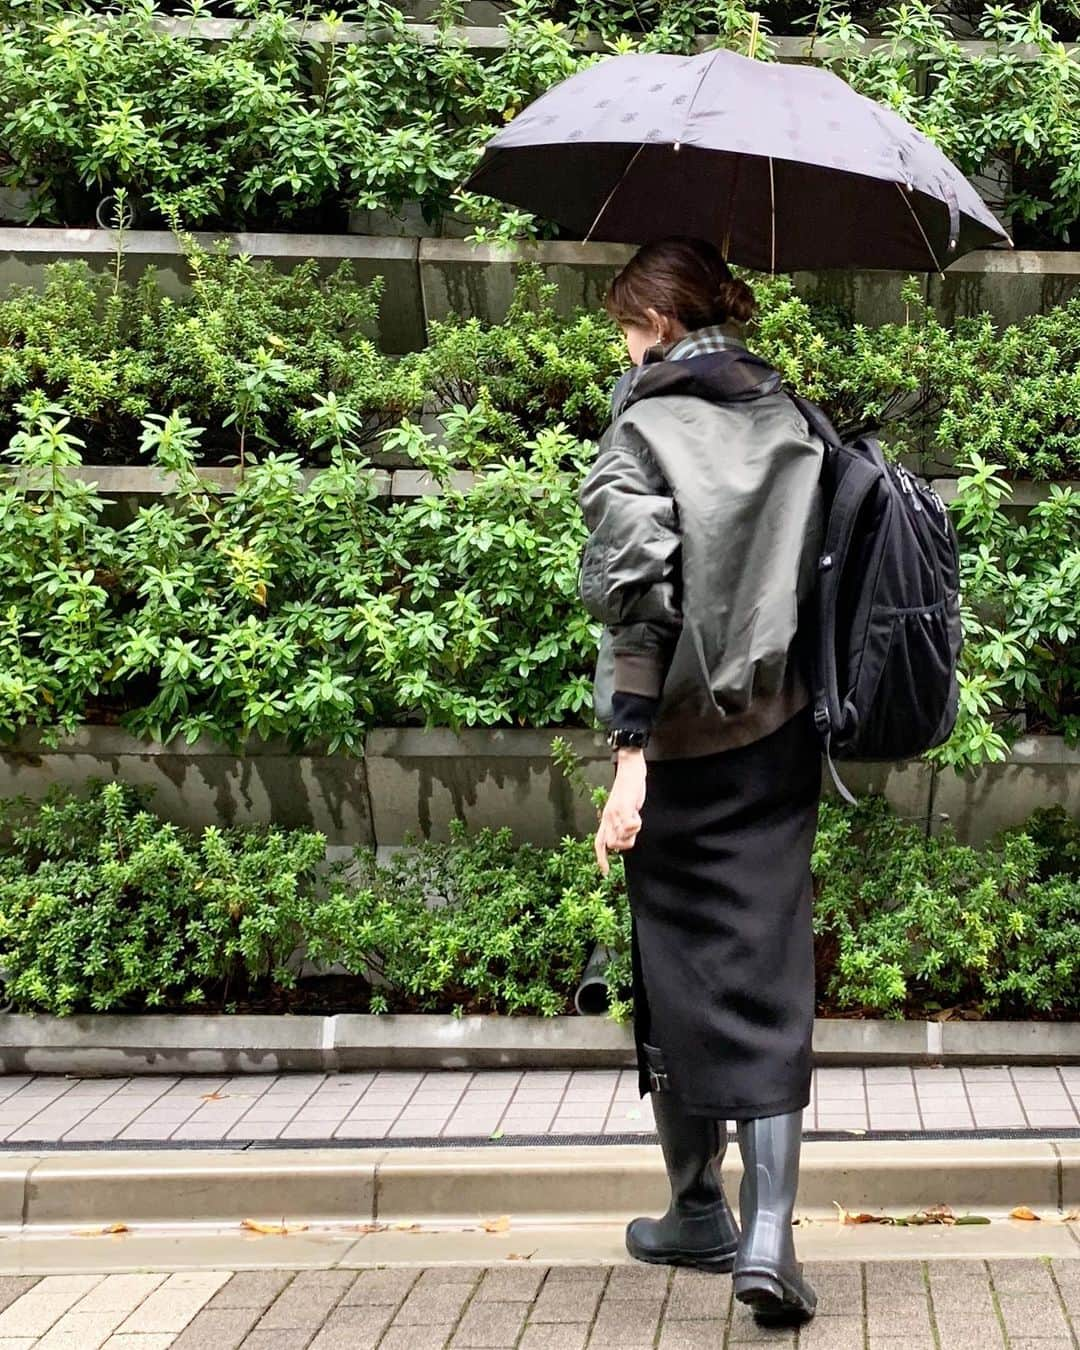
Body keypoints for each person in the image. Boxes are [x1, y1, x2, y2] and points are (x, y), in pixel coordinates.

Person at [578, 236, 826, 1325]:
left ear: (662, 324)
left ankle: (698, 1208)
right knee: (768, 966)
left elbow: (641, 600)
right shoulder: (793, 419)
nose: (623, 350)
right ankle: (764, 1235)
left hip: (679, 747)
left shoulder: (642, 427)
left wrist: (629, 761)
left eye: (628, 329)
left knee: (675, 966)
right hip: (781, 739)